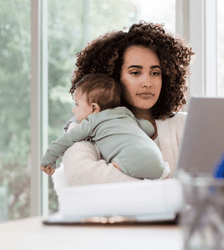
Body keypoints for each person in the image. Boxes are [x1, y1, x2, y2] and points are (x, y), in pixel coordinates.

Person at [52, 21, 193, 189]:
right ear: (113, 77)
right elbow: (79, 176)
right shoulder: (85, 123)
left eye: (155, 73)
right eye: (135, 72)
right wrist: (164, 191)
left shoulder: (184, 124)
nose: (147, 82)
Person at [40, 73, 169, 180]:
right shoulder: (126, 114)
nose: (74, 110)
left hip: (129, 163)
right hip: (158, 164)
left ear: (94, 108)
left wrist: (49, 159)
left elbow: (66, 139)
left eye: (77, 104)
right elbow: (149, 128)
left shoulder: (91, 121)